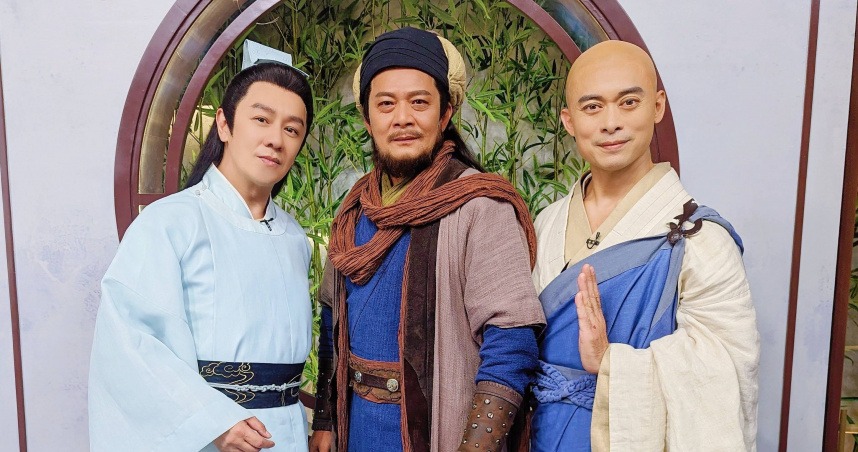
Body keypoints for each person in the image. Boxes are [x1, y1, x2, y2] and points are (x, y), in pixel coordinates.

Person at [308, 27, 546, 452]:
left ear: (445, 113)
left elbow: (511, 341)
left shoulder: (479, 206)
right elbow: (332, 317)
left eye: (419, 102)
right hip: (357, 431)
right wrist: (325, 419)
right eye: (386, 104)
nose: (402, 118)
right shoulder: (353, 210)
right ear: (367, 118)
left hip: (440, 435)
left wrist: (475, 448)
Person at [530, 40, 760, 451]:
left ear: (657, 106)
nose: (611, 123)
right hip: (538, 437)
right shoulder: (546, 224)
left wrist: (611, 362)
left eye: (628, 103)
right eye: (592, 107)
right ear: (569, 120)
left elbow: (728, 371)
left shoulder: (701, 238)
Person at [88, 59, 315, 451]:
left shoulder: (295, 237)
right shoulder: (170, 223)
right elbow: (131, 344)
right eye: (261, 120)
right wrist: (214, 421)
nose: (276, 139)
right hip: (212, 437)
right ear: (224, 124)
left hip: (288, 434)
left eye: (291, 129)